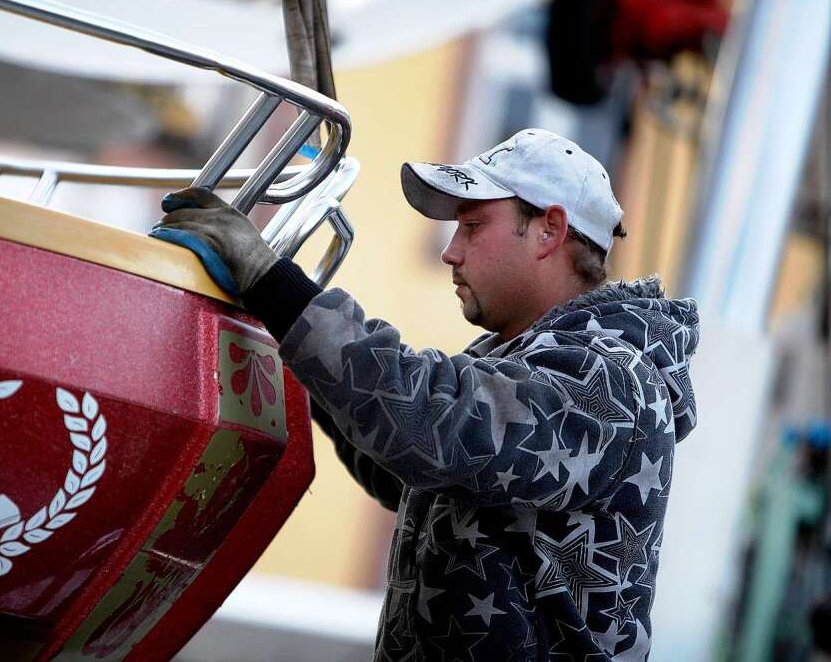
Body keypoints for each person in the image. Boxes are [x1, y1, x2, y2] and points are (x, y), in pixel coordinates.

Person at [151, 128, 700, 660]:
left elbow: (437, 423)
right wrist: (290, 339)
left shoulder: (609, 380)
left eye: (473, 225)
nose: (451, 252)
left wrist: (274, 286)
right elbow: (401, 466)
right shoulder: (516, 361)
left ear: (549, 231)